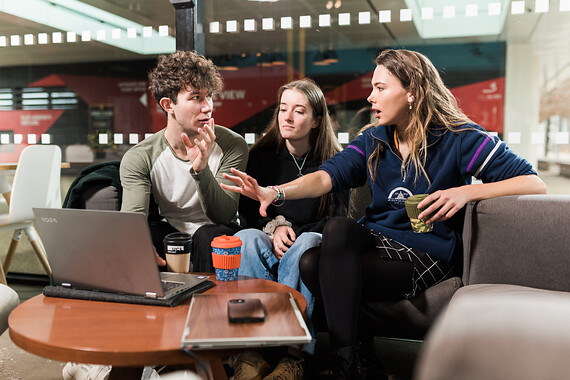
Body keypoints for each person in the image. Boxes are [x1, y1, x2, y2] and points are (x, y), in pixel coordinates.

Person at [221, 48, 547, 379]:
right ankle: (352, 361)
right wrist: (275, 192)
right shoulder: (374, 139)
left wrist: (465, 192)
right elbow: (325, 177)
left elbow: (534, 183)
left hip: (426, 249)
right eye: (372, 87)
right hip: (378, 241)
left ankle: (353, 360)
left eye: (380, 88)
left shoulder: (460, 137)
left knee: (317, 263)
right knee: (326, 241)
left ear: (412, 93)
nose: (370, 96)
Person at [228, 78, 347, 379]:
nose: (288, 117)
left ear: (317, 120)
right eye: (283, 109)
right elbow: (247, 212)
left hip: (307, 243)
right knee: (245, 238)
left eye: (299, 111)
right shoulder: (260, 155)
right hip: (270, 237)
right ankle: (251, 351)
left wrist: (290, 232)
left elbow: (336, 218)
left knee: (307, 243)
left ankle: (295, 355)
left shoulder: (334, 161)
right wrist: (275, 227)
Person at [120, 50, 248, 270]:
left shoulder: (232, 145)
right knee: (139, 238)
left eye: (209, 96)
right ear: (169, 105)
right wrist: (138, 244)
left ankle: (205, 302)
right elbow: (132, 220)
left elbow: (223, 214)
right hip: (171, 231)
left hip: (219, 230)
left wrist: (201, 171)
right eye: (196, 97)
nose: (208, 106)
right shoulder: (141, 156)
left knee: (208, 236)